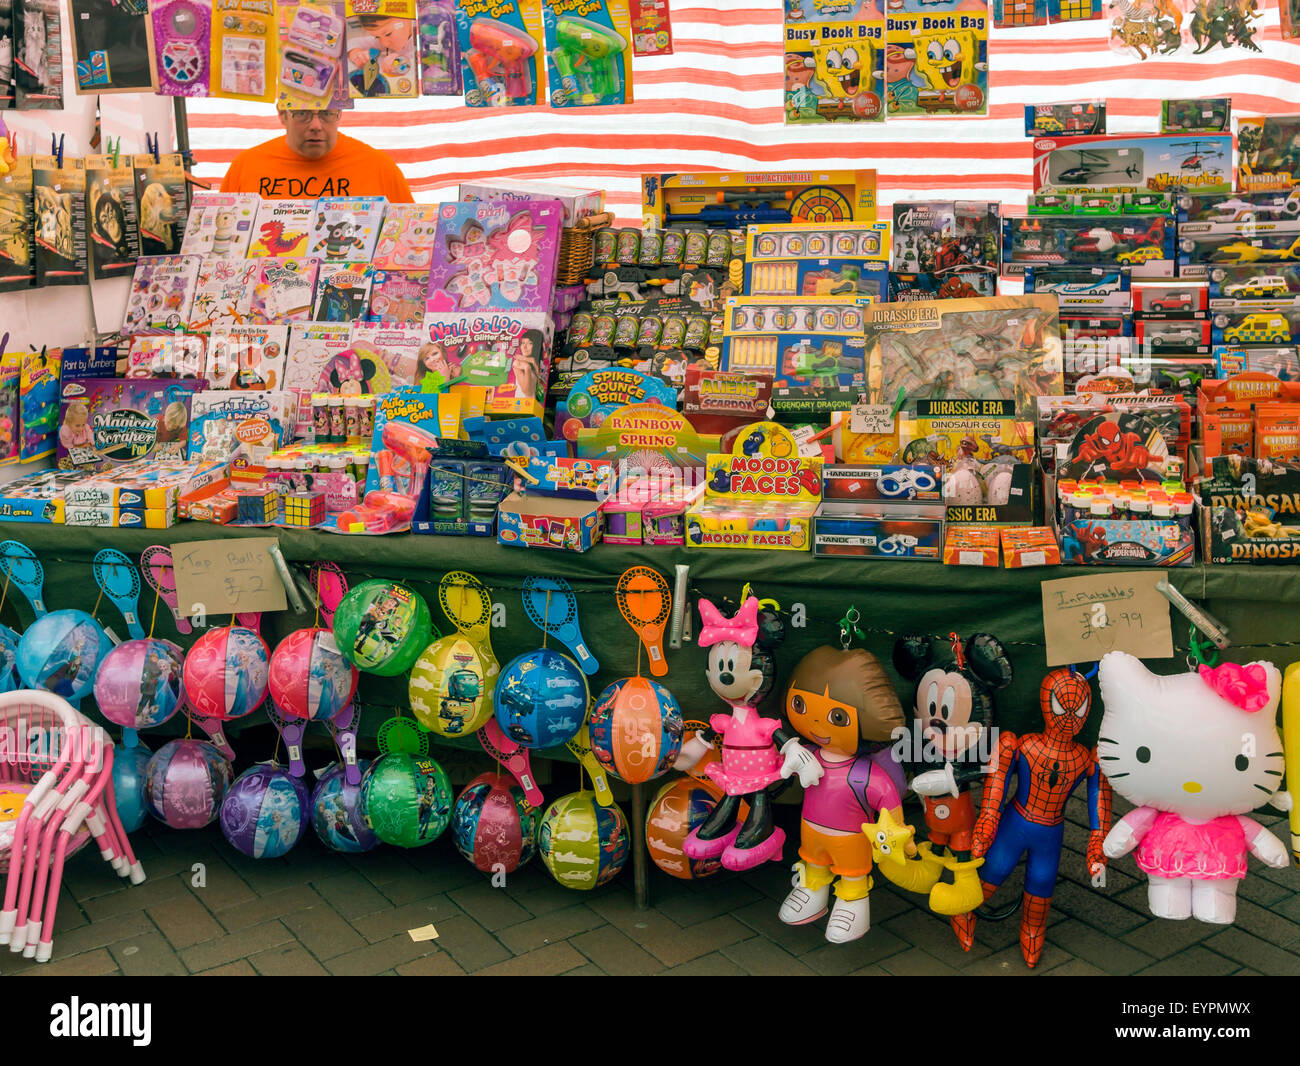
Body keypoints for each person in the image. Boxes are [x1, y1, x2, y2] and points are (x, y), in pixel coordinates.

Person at [220, 108, 414, 202]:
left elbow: (410, 238)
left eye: (326, 113)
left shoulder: (378, 167)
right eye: (302, 113)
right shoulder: (246, 166)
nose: (315, 125)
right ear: (282, 114)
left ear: (339, 113)